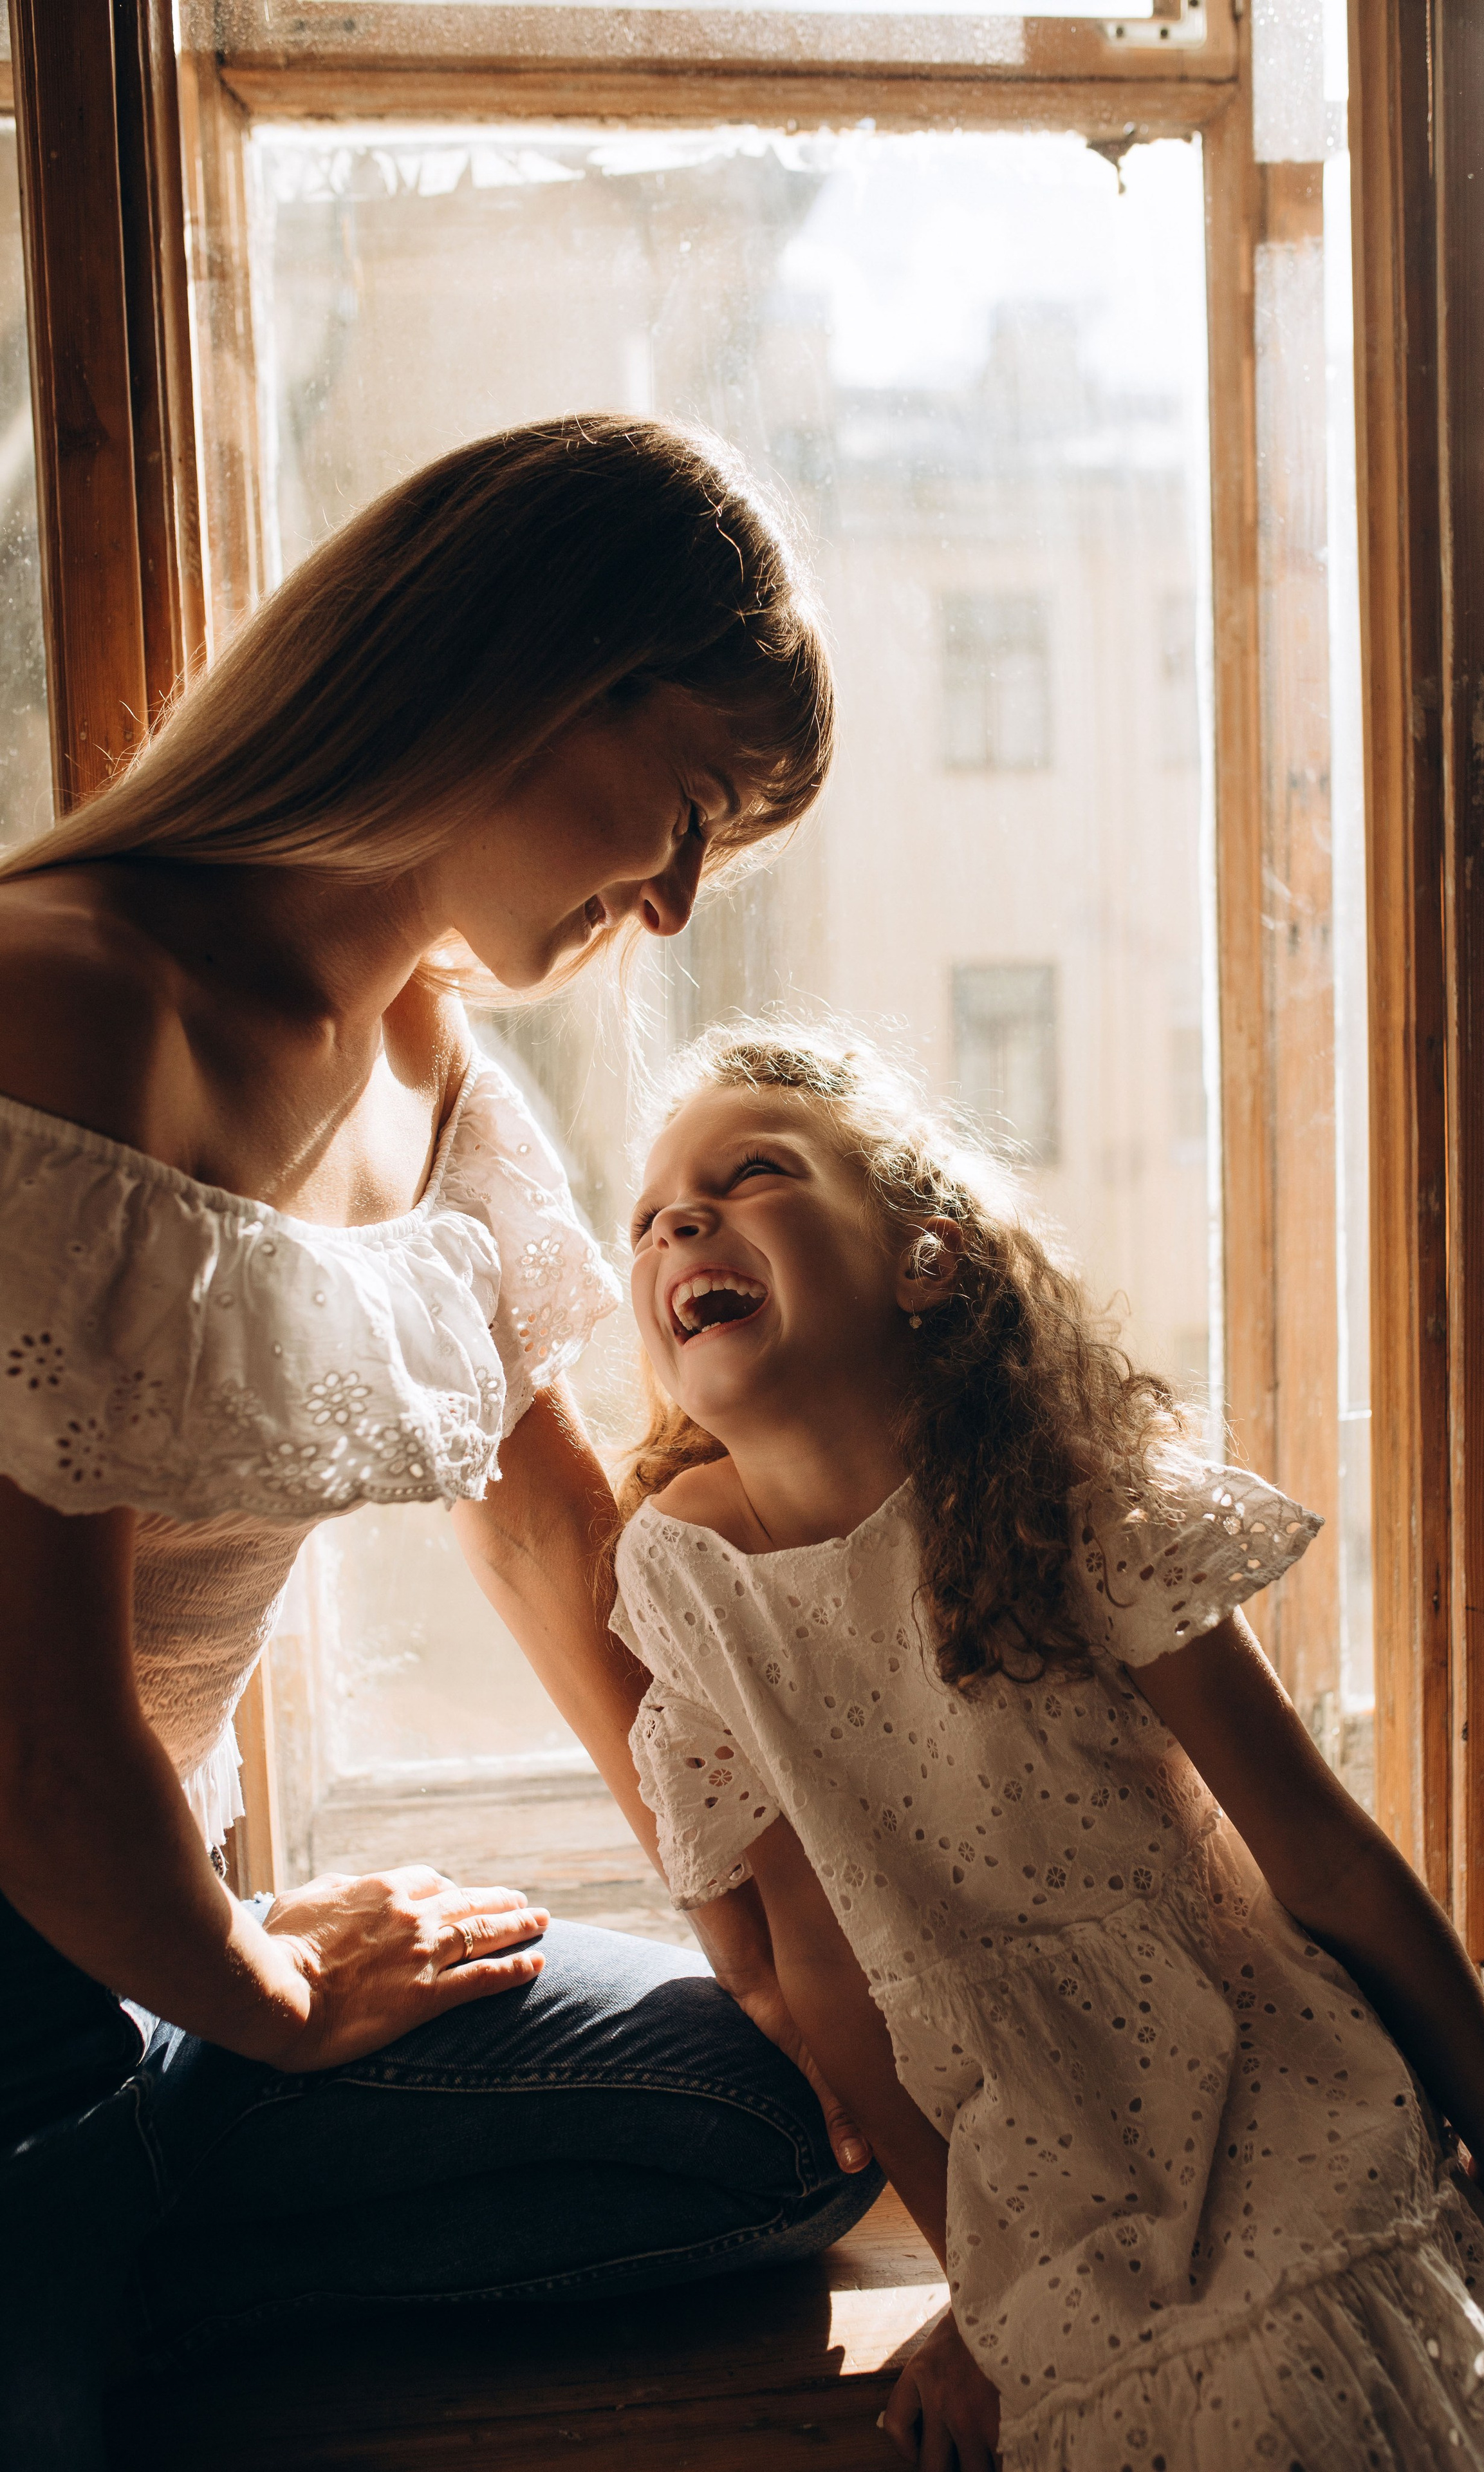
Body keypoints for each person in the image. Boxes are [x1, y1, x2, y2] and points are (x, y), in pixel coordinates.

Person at [0, 418, 880, 2471]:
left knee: (772, 2127)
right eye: (687, 810)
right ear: (527, 671)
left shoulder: (422, 1042)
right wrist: (264, 1995)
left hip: (143, 1931)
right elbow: (33, 1748)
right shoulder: (63, 1006)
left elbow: (548, 1530)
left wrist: (775, 1942)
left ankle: (107, 2237)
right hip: (48, 1935)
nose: (669, 905)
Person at [610, 1019, 1484, 2472]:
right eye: (649, 1214)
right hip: (1030, 2165)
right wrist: (980, 2291)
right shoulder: (683, 1573)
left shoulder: (1061, 1494)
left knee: (1284, 2394)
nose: (679, 1221)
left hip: (1260, 2082)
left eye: (752, 1171)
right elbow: (827, 1979)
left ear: (927, 1258)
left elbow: (1328, 1862)